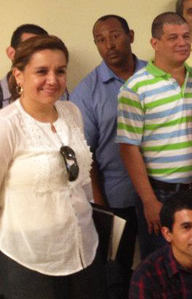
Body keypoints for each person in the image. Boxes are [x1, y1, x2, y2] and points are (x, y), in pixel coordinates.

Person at [0, 35, 106, 298]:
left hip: (84, 247)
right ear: (19, 75)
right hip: (31, 258)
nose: (52, 79)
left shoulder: (71, 112)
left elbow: (81, 180)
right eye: (41, 71)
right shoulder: (6, 125)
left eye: (60, 71)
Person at [117, 12, 192, 259]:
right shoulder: (135, 88)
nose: (182, 43)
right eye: (172, 38)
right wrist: (149, 201)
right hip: (160, 194)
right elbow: (128, 148)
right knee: (162, 265)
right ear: (155, 43)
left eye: (186, 36)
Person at [71, 15, 147, 297]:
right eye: (100, 40)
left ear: (131, 35)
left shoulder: (156, 75)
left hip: (160, 191)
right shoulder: (86, 92)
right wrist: (102, 209)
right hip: (117, 198)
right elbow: (85, 156)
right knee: (116, 274)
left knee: (161, 265)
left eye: (115, 35)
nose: (109, 45)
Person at [2, 24, 49, 108]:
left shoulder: (53, 88)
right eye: (28, 50)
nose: (37, 57)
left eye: (43, 51)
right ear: (11, 53)